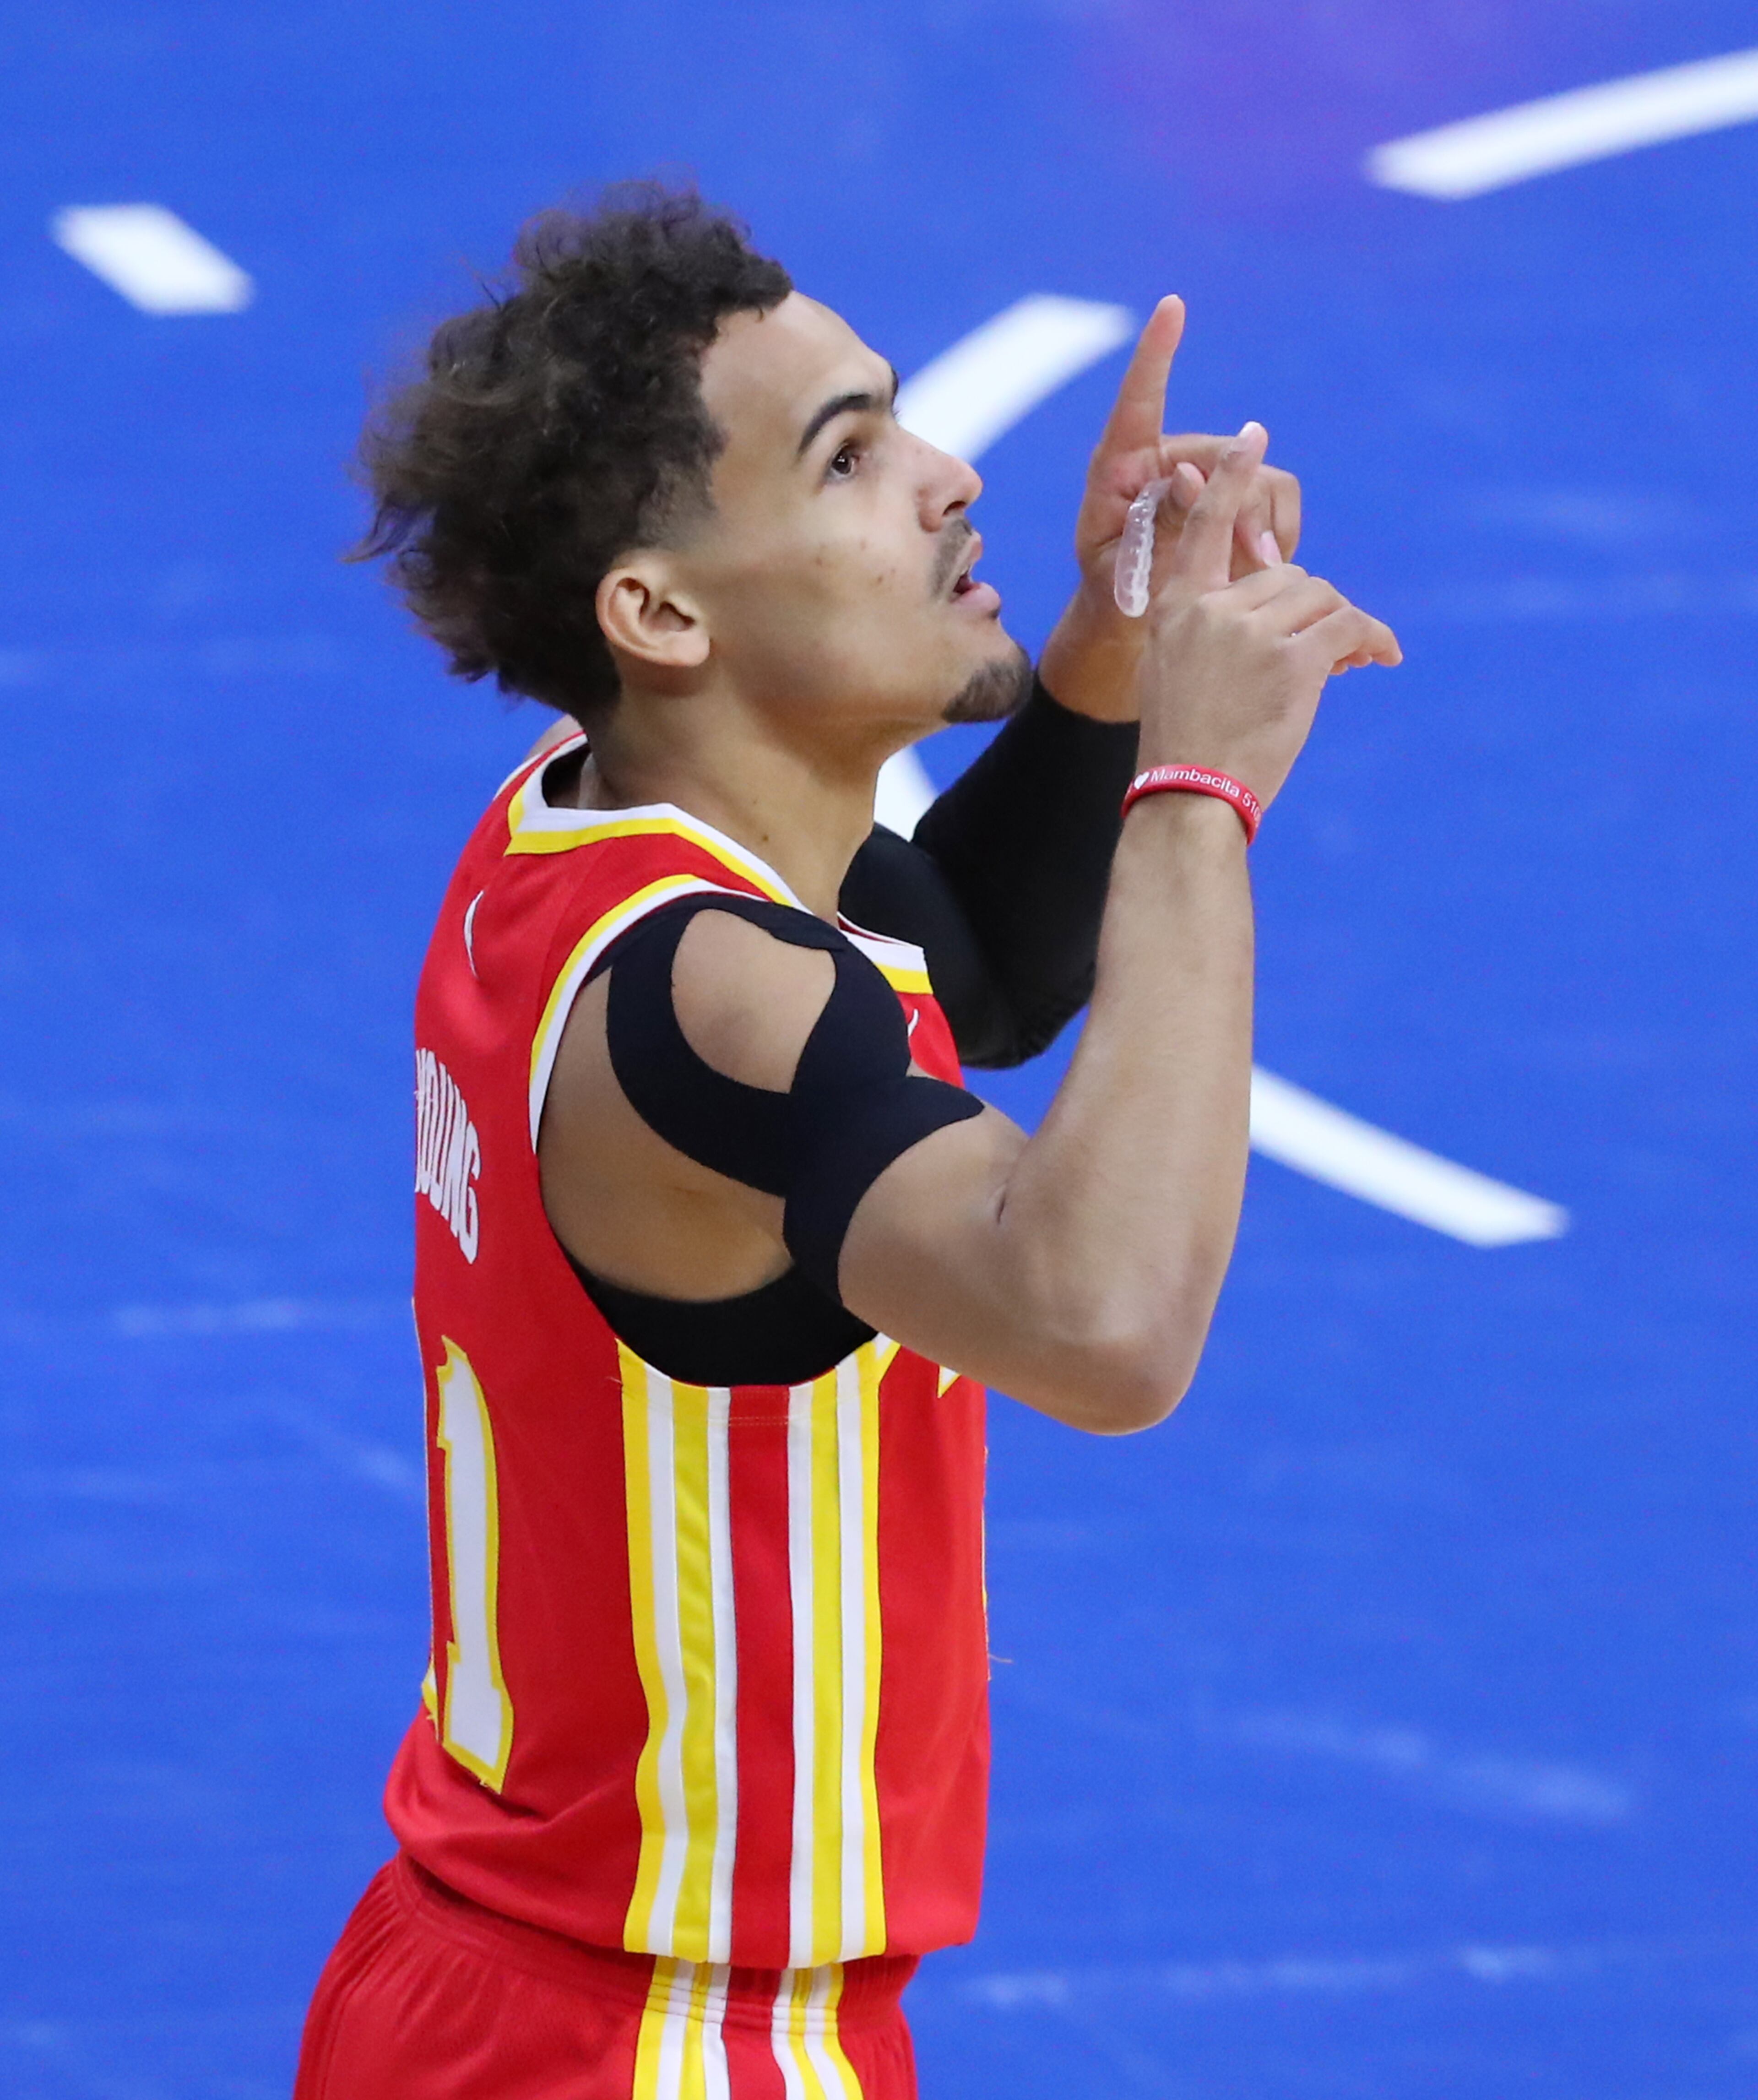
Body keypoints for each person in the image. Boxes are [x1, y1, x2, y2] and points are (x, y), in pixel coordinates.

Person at [293, 186, 1399, 2100]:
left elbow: (955, 976)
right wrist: (1199, 791)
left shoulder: (594, 842)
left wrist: (1117, 639)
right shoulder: (721, 994)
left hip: (470, 1979)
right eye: (851, 456)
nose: (954, 474)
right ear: (661, 608)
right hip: (663, 2041)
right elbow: (1103, 1321)